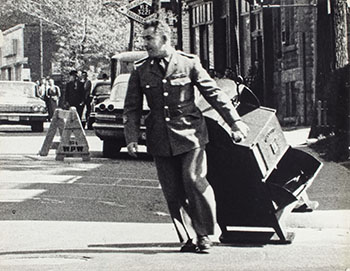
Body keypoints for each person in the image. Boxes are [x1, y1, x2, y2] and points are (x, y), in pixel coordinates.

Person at [123, 19, 249, 253]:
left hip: (191, 134)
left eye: (149, 39)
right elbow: (132, 107)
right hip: (160, 137)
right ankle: (190, 236)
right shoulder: (141, 69)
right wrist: (131, 137)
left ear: (164, 39)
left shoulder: (188, 63)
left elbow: (213, 92)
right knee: (172, 190)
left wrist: (235, 122)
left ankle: (205, 234)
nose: (146, 44)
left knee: (193, 178)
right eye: (145, 39)